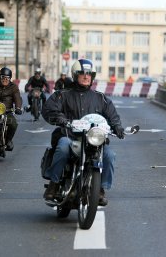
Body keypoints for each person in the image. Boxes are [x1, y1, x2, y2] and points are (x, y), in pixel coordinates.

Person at [41, 59, 125, 206]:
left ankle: (100, 189)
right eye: (82, 73)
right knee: (62, 147)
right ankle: (54, 184)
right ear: (75, 75)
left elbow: (112, 115)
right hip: (71, 137)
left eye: (89, 74)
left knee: (110, 155)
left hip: (93, 140)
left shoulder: (100, 98)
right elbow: (49, 109)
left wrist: (117, 126)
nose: (86, 77)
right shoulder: (63, 94)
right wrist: (62, 119)